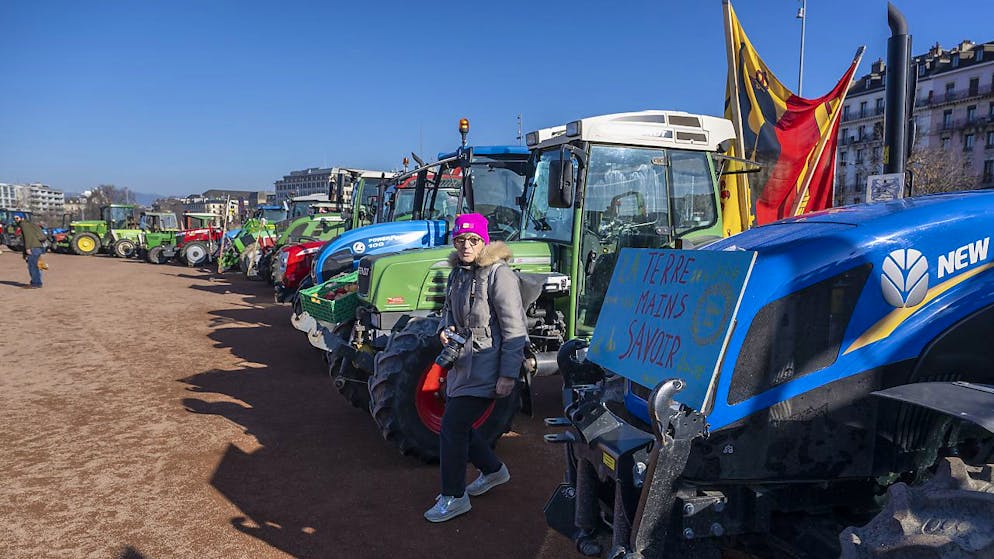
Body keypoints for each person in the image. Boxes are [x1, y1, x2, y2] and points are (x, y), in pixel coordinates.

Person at [424, 212, 527, 523]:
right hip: (461, 366)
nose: (465, 246)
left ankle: (454, 497)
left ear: (484, 241)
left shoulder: (499, 275)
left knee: (452, 427)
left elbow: (514, 329)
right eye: (460, 240)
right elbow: (447, 312)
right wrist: (443, 329)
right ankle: (494, 471)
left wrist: (508, 375)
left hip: (487, 367)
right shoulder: (458, 274)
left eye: (472, 240)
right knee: (460, 426)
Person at [14, 215, 47, 288]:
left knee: (32, 266)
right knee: (35, 266)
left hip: (33, 247)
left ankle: (36, 283)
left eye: (17, 218)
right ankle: (37, 282)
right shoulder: (29, 224)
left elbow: (27, 237)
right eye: (15, 218)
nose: (16, 220)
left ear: (22, 218)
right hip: (37, 247)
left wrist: (27, 248)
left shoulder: (23, 224)